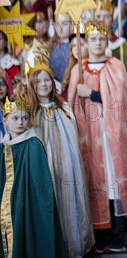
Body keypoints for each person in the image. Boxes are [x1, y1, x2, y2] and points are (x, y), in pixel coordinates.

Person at [68, 20, 127, 254]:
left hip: (112, 137)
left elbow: (120, 101)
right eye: (93, 39)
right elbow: (71, 106)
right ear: (86, 42)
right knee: (94, 182)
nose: (98, 43)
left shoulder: (116, 66)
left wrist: (91, 93)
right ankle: (98, 236)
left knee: (113, 182)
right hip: (89, 138)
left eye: (102, 38)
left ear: (107, 41)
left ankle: (117, 236)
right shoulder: (78, 70)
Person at [28, 62, 95, 257]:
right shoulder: (31, 114)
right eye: (38, 81)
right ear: (32, 85)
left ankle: (74, 246)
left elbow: (75, 136)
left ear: (53, 82)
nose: (43, 84)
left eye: (46, 79)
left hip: (67, 167)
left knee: (68, 200)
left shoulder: (64, 108)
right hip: (45, 167)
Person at [1, 94, 67, 257]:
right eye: (15, 118)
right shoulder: (2, 148)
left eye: (24, 118)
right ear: (5, 121)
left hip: (25, 206)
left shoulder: (33, 144)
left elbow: (40, 182)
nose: (20, 122)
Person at [96, 0, 127, 78]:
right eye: (98, 16)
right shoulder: (87, 45)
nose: (101, 20)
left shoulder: (123, 47)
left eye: (106, 17)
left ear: (113, 22)